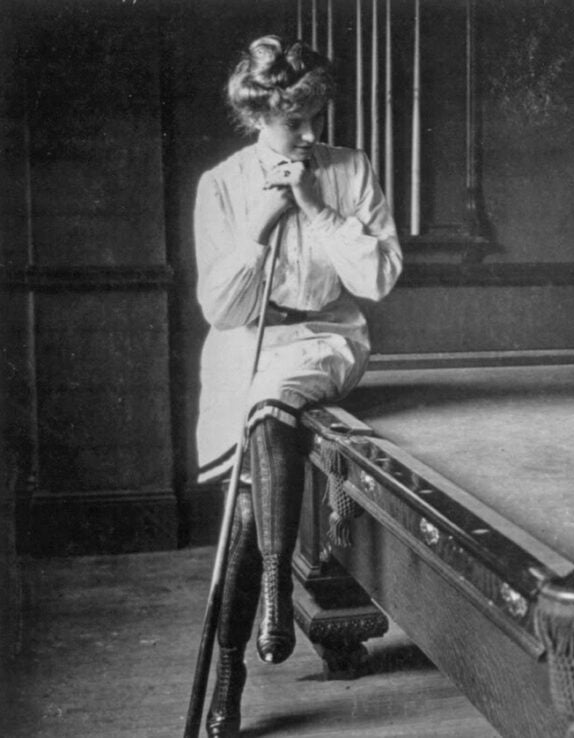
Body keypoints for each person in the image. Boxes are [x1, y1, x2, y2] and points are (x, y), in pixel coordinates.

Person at [193, 35, 402, 737]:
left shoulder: (349, 170)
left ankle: (270, 604)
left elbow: (377, 281)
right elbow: (221, 311)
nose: (313, 133)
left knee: (272, 405)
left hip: (326, 340)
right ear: (259, 118)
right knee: (247, 508)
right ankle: (237, 657)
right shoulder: (220, 186)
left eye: (318, 116)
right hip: (240, 354)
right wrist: (259, 226)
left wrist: (315, 207)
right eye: (296, 121)